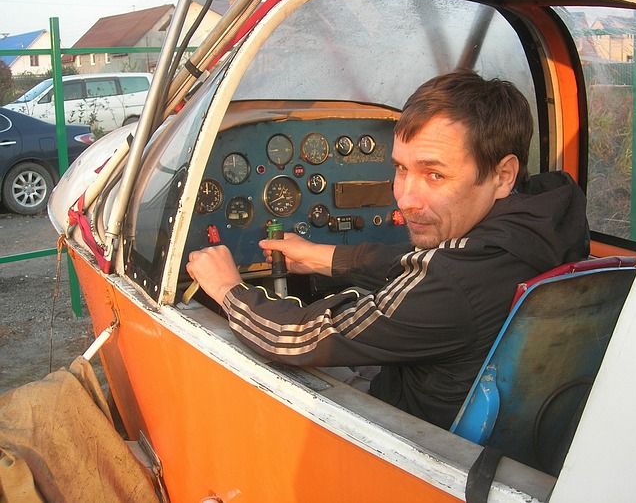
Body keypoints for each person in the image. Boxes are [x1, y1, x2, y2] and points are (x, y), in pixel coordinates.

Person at [186, 70, 589, 429]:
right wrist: (322, 256)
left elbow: (298, 337)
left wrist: (227, 290)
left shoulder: (454, 284)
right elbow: (429, 266)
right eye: (400, 168)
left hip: (407, 429)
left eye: (434, 174)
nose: (405, 199)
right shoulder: (541, 223)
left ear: (503, 175)